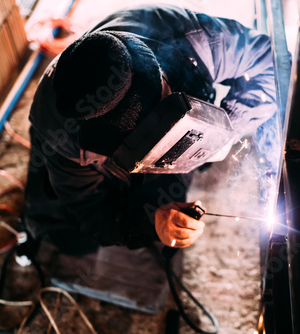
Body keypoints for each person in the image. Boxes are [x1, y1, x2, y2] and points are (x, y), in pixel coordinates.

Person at [24, 4, 277, 255]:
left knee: (169, 201)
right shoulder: (62, 137)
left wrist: (225, 128)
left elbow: (274, 65)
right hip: (67, 154)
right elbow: (90, 211)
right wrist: (151, 223)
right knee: (73, 239)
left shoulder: (197, 41)